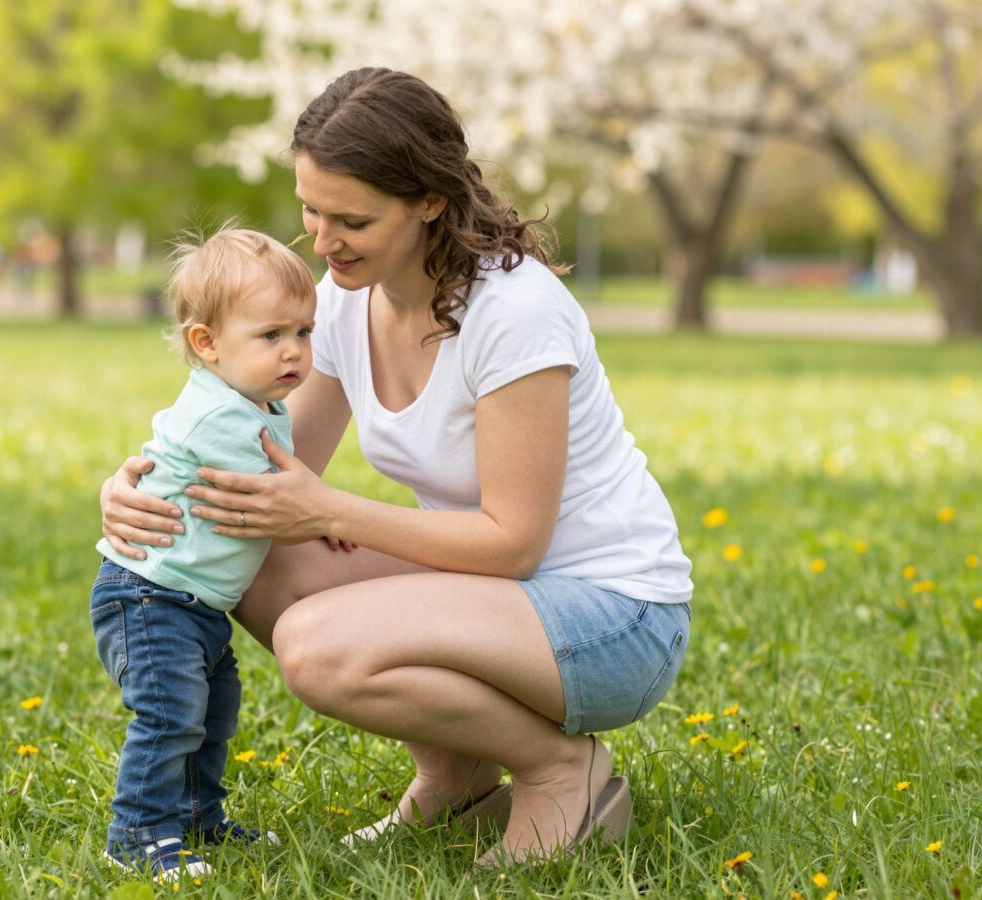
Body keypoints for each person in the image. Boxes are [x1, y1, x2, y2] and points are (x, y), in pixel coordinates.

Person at [101, 67, 693, 866]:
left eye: (351, 218)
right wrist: (136, 487)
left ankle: (561, 771)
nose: (321, 239)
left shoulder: (513, 312)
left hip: (611, 613)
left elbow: (516, 543)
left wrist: (334, 513)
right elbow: (266, 469)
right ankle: (458, 778)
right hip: (500, 598)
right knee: (256, 559)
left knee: (317, 645)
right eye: (311, 210)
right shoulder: (346, 296)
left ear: (430, 202)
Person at [92, 227, 316, 880]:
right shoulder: (221, 418)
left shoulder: (253, 402)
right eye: (271, 335)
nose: (293, 351)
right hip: (149, 596)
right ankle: (137, 835)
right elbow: (273, 502)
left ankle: (197, 820)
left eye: (303, 332)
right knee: (169, 716)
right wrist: (326, 518)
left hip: (190, 602)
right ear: (206, 344)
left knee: (210, 715)